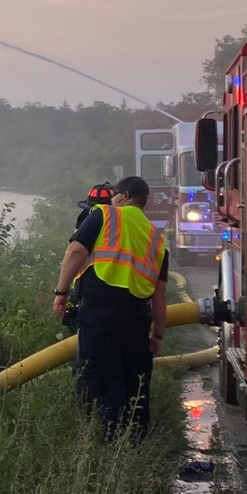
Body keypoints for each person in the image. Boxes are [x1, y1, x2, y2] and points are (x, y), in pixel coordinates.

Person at [52, 175, 169, 436]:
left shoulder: (104, 215)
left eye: (115, 195)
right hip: (138, 317)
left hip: (100, 311)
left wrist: (61, 292)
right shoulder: (156, 237)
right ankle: (136, 442)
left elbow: (75, 252)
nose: (112, 200)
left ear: (124, 195)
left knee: (103, 378)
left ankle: (110, 441)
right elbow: (160, 295)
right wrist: (157, 334)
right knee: (135, 382)